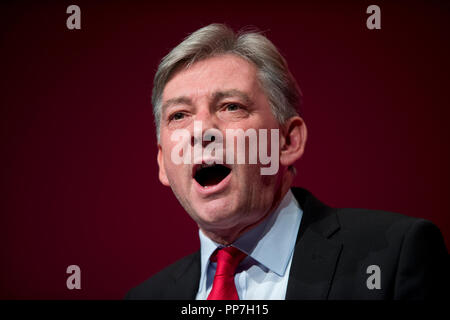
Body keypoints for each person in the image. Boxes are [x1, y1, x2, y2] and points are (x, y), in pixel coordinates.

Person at [126, 24, 448, 300]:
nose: (201, 130)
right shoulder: (145, 296)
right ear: (162, 163)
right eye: (179, 115)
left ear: (288, 141)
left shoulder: (392, 257)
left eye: (231, 106)